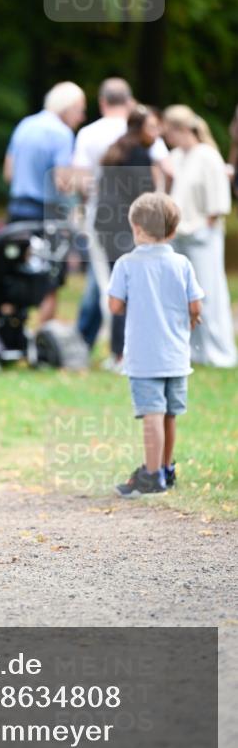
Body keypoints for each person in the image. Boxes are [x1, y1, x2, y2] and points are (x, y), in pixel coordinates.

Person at [108, 192, 204, 497]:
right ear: (173, 232)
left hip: (144, 357)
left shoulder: (126, 264)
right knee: (169, 414)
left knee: (152, 414)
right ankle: (165, 469)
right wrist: (190, 319)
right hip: (176, 356)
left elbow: (114, 305)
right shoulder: (182, 263)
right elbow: (196, 306)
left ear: (136, 228)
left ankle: (151, 476)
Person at [72, 78, 169, 353]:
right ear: (129, 102)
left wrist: (87, 206)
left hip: (101, 216)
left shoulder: (90, 134)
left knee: (105, 280)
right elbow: (166, 168)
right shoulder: (142, 139)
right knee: (121, 283)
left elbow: (81, 180)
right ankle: (117, 347)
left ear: (102, 102)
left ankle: (89, 342)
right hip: (132, 220)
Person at [2, 81, 86, 323]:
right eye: (79, 110)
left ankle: (9, 330)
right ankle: (43, 335)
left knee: (15, 270)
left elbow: (9, 173)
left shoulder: (25, 125)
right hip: (45, 215)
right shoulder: (62, 134)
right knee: (51, 277)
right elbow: (62, 182)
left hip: (17, 210)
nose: (81, 117)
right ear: (67, 107)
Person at [163, 105, 236, 368]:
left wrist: (203, 227)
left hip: (203, 235)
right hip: (179, 235)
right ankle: (193, 351)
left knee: (208, 292)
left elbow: (218, 201)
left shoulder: (207, 156)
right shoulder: (176, 157)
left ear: (181, 129)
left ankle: (219, 353)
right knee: (183, 296)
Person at [94, 105, 162, 364]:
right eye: (153, 127)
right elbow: (143, 198)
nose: (157, 132)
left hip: (106, 226)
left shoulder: (118, 148)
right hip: (124, 228)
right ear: (139, 128)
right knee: (131, 289)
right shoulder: (138, 154)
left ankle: (117, 352)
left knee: (119, 286)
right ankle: (124, 353)